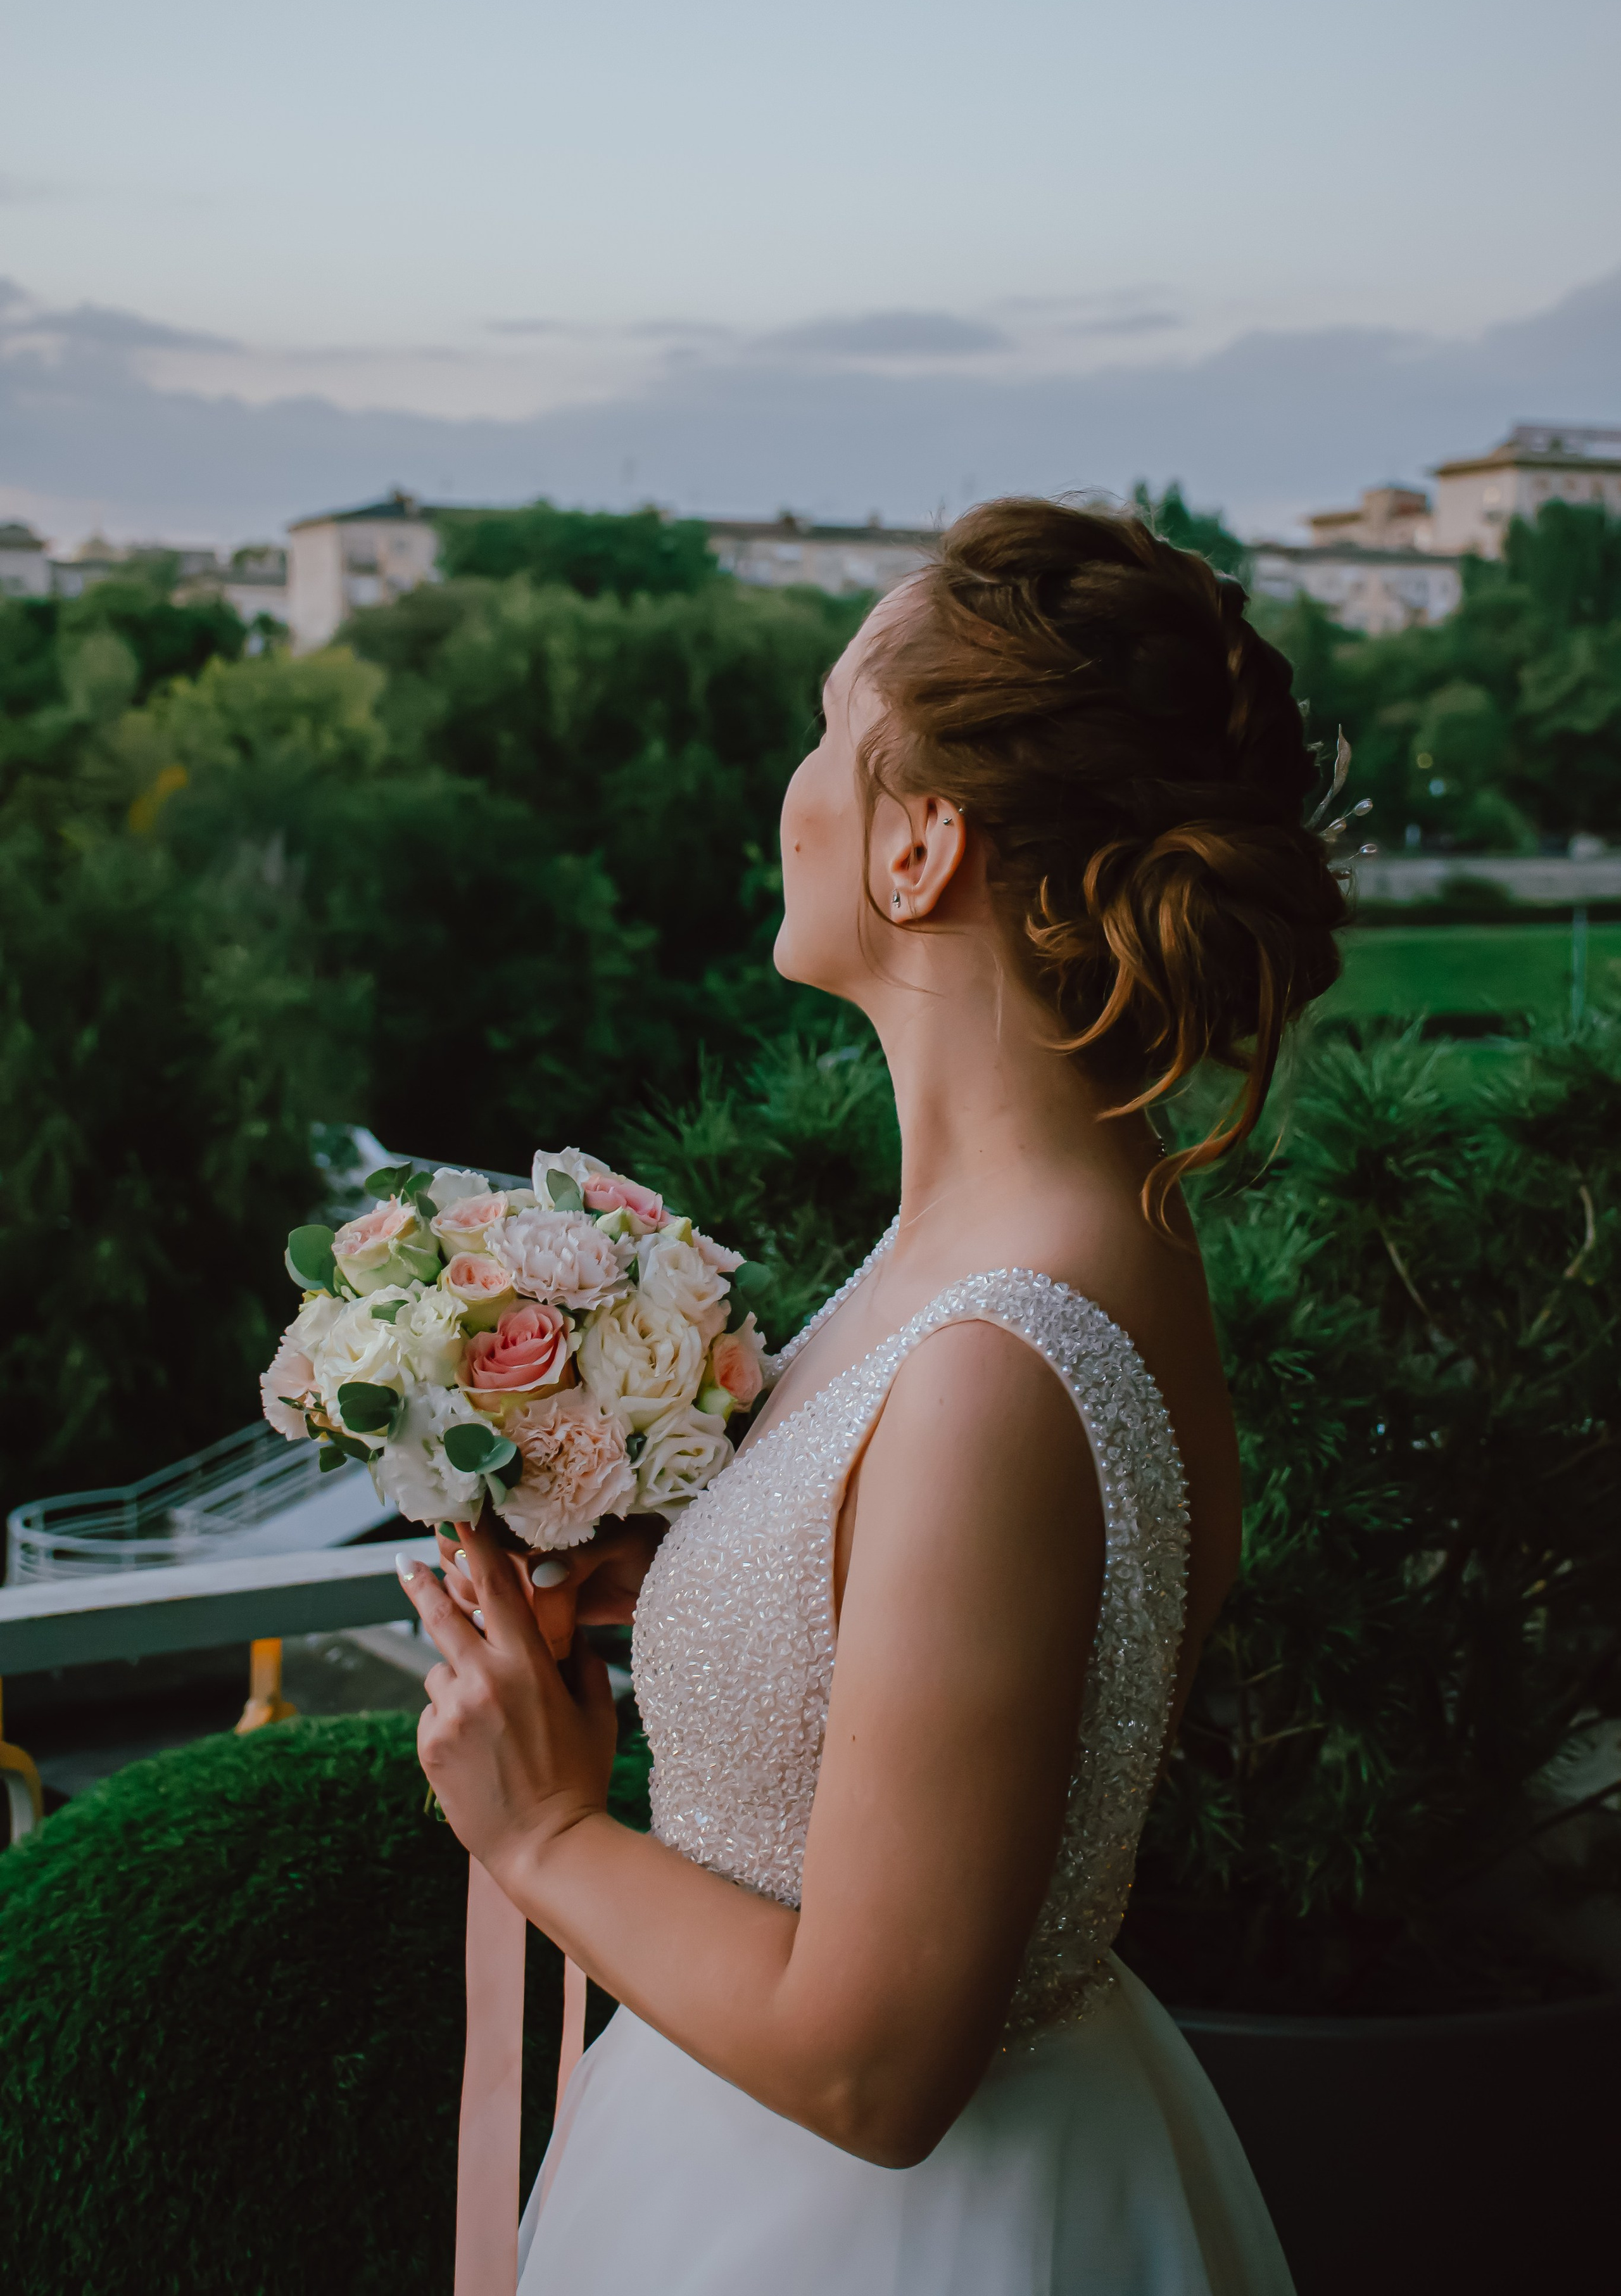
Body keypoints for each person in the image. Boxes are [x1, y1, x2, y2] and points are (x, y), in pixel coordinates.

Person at [397, 497, 1346, 2293]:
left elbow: (876, 2061)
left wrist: (538, 1828)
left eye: (832, 733)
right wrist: (691, 1567)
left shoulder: (996, 1354)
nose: (798, 784)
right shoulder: (1059, 1237)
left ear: (920, 846)